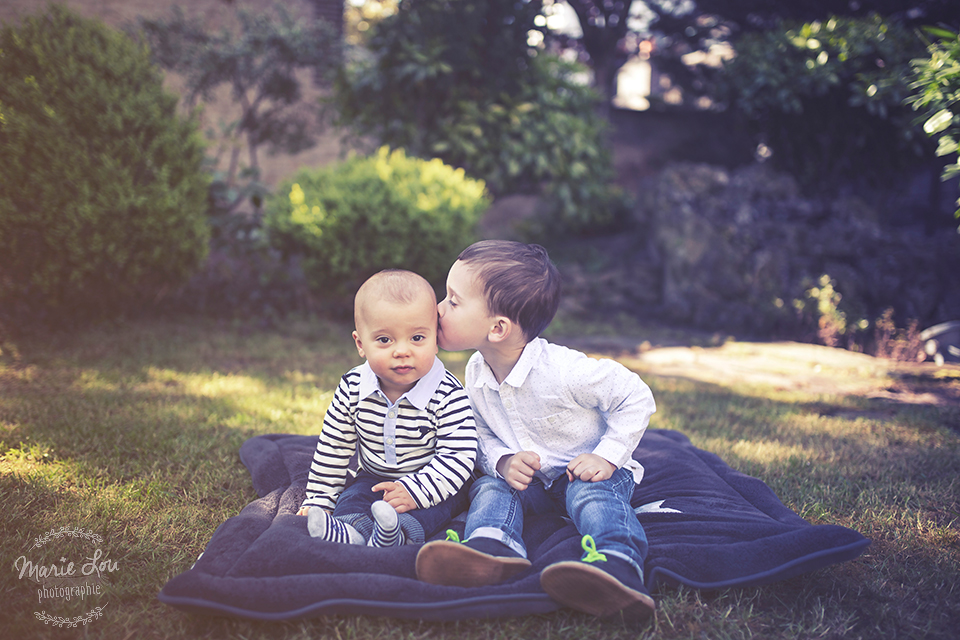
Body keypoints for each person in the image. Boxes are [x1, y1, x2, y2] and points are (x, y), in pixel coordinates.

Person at [415, 240, 657, 623]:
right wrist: (503, 459)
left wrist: (607, 456)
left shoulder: (563, 370)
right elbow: (476, 431)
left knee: (589, 495)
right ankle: (493, 548)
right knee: (492, 486)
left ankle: (618, 564)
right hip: (535, 485)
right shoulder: (476, 372)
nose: (438, 309)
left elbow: (635, 396)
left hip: (590, 473)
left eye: (452, 301)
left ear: (498, 328)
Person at [297, 269, 477, 548]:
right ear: (360, 344)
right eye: (384, 340)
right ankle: (351, 531)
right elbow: (334, 446)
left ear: (436, 340)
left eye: (417, 338)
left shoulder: (447, 393)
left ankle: (394, 534)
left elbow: (459, 456)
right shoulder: (353, 387)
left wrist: (414, 492)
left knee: (440, 507)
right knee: (353, 497)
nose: (402, 351)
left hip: (433, 478)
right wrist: (320, 498)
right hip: (375, 475)